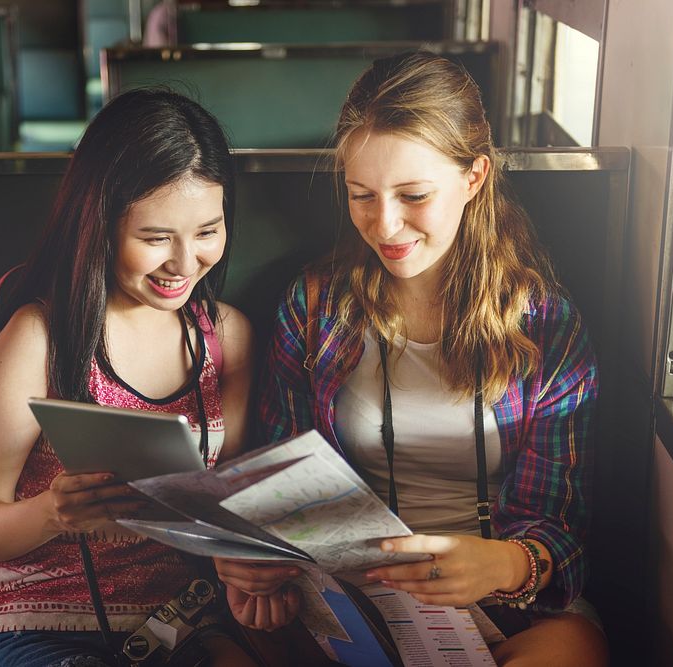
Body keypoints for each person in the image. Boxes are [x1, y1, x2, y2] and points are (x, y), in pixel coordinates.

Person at [215, 52, 609, 666]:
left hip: (508, 603)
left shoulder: (546, 327)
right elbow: (284, 482)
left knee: (575, 647)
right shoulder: (315, 309)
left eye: (413, 194)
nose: (386, 224)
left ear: (474, 177)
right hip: (355, 600)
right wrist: (257, 566)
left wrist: (501, 563)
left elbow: (560, 530)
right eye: (362, 195)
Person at [0, 88, 256, 667]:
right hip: (41, 618)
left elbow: (228, 502)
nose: (186, 263)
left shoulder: (226, 338)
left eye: (207, 232)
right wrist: (51, 512)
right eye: (155, 238)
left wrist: (247, 564)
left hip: (183, 616)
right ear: (99, 223)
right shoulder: (36, 340)